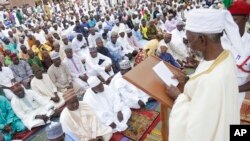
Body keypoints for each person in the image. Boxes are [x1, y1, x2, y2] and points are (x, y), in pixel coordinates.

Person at [167, 9, 240, 141]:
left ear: (202, 39)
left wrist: (178, 97)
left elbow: (197, 129)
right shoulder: (226, 56)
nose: (189, 46)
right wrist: (187, 79)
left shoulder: (210, 80)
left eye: (189, 41)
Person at [227, 1, 250, 108]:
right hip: (215, 94)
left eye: (234, 19)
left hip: (237, 99)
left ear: (246, 18)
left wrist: (234, 90)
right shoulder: (221, 40)